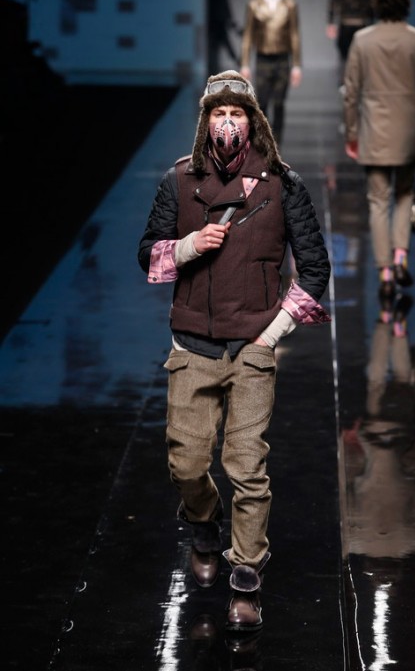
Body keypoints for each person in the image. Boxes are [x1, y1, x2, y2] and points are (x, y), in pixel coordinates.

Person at [138, 69, 331, 631]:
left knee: (247, 467)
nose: (227, 122)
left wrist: (271, 336)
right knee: (186, 462)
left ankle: (246, 575)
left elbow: (315, 268)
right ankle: (203, 525)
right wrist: (189, 245)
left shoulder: (284, 185)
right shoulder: (178, 181)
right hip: (192, 345)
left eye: (236, 113)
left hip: (252, 347)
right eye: (218, 113)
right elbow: (148, 253)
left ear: (253, 121)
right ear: (206, 121)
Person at [342, 0, 415, 299]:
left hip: (374, 131)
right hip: (409, 131)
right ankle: (400, 257)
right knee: (405, 194)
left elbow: (351, 92)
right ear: (406, 6)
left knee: (378, 201)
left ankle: (384, 271)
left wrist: (352, 133)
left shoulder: (362, 40)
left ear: (377, 6)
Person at [240, 0, 302, 145]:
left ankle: (277, 144)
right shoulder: (254, 4)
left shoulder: (290, 4)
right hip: (263, 59)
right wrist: (245, 63)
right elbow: (248, 35)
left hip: (283, 59)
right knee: (262, 102)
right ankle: (263, 143)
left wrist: (296, 65)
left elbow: (294, 35)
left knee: (279, 103)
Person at [326, 0, 375, 82]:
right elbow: (371, 2)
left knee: (345, 57)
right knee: (360, 56)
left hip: (346, 22)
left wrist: (330, 22)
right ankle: (356, 83)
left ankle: (345, 83)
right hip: (361, 22)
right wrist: (372, 23)